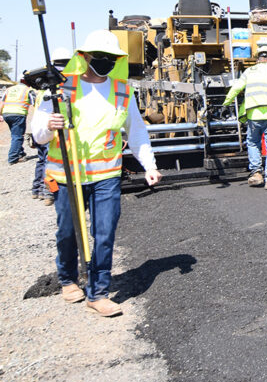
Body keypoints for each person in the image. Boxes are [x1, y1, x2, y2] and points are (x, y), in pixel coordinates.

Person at [30, 30, 162, 317]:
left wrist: (150, 166)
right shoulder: (61, 89)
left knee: (104, 233)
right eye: (99, 57)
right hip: (68, 177)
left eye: (111, 58)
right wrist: (49, 125)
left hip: (106, 176)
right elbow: (38, 136)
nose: (105, 62)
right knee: (68, 233)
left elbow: (136, 133)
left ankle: (98, 292)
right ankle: (67, 279)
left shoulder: (122, 91)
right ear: (85, 57)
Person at [222, 41, 267, 189]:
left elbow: (236, 88)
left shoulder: (249, 72)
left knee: (253, 143)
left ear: (258, 58)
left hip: (253, 115)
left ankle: (256, 174)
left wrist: (226, 103)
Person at [31, 47, 73, 205]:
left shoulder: (42, 87)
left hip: (46, 128)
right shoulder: (54, 87)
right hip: (49, 129)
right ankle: (47, 193)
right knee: (49, 164)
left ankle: (39, 190)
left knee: (43, 161)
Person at [2, 74, 34, 164]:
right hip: (18, 114)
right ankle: (13, 158)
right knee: (18, 136)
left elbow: (2, 102)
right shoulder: (28, 90)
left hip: (6, 114)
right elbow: (35, 103)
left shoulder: (9, 89)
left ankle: (20, 152)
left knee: (15, 135)